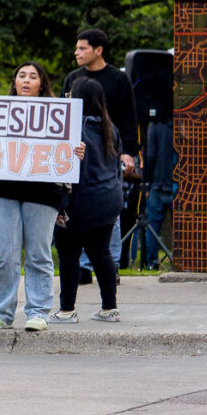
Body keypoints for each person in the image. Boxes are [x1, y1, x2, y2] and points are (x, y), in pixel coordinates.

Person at [0, 61, 85, 332]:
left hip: (44, 191)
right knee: (4, 253)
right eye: (21, 76)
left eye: (33, 76)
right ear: (14, 82)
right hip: (3, 190)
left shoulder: (58, 114)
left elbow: (68, 149)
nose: (26, 80)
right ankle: (1, 312)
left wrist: (77, 151)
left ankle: (38, 312)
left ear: (42, 83)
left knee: (38, 253)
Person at [60, 29, 139, 281]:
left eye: (82, 48)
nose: (76, 53)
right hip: (76, 152)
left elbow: (129, 118)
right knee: (78, 203)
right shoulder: (72, 78)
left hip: (108, 150)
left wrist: (128, 153)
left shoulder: (118, 79)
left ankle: (110, 263)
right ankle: (84, 265)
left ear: (98, 50)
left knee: (109, 206)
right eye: (76, 48)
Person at [51, 78, 124, 324]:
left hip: (82, 201)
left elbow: (70, 172)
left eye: (70, 94)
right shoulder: (110, 128)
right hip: (109, 200)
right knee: (100, 251)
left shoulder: (73, 128)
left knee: (69, 253)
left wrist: (62, 206)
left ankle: (66, 310)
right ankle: (109, 308)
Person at [141, 118, 176, 270]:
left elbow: (150, 156)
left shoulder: (155, 125)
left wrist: (147, 183)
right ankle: (184, 260)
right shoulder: (186, 122)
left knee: (153, 227)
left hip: (157, 183)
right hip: (178, 184)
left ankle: (152, 262)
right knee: (184, 226)